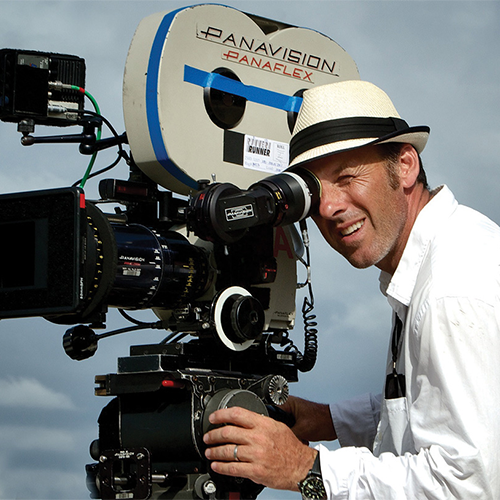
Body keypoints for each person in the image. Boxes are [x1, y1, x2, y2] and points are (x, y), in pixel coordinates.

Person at [203, 80, 500, 499]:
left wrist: (306, 468)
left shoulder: (450, 289)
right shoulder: (447, 252)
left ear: (405, 164)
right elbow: (426, 405)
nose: (329, 208)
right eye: (316, 194)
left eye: (347, 177)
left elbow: (465, 485)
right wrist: (326, 420)